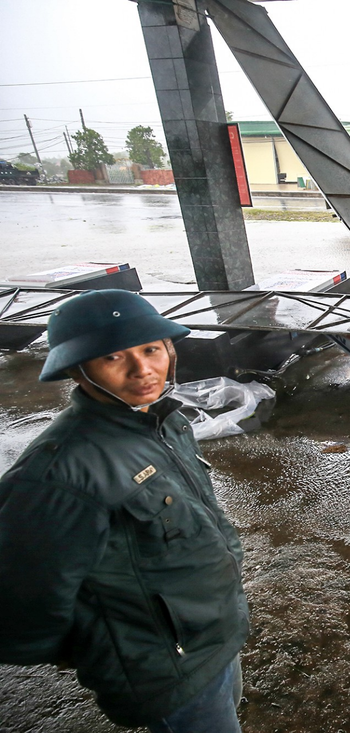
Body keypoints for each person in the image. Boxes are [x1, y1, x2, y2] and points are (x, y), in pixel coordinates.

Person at [0, 289, 249, 732]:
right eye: (113, 358)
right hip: (167, 667)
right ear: (78, 371)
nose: (143, 370)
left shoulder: (162, 419)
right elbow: (20, 604)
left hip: (215, 631)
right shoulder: (61, 472)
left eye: (152, 349)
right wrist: (109, 644)